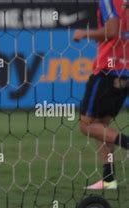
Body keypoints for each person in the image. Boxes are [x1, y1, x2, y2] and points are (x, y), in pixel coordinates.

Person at [73, 0, 128, 190]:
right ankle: (109, 178)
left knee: (87, 125)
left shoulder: (108, 1)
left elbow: (111, 31)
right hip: (125, 71)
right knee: (102, 125)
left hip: (107, 70)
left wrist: (84, 33)